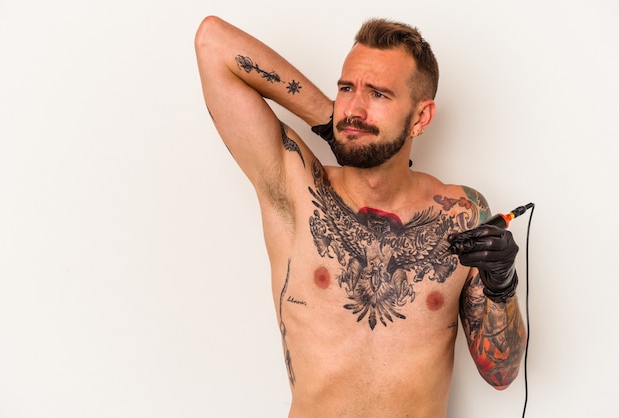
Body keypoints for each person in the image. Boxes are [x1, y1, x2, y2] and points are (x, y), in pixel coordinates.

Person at [195, 15, 526, 418]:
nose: (353, 108)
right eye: (347, 88)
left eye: (378, 95)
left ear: (420, 118)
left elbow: (502, 373)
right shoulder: (298, 189)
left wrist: (502, 284)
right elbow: (213, 42)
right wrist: (329, 121)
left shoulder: (461, 214)